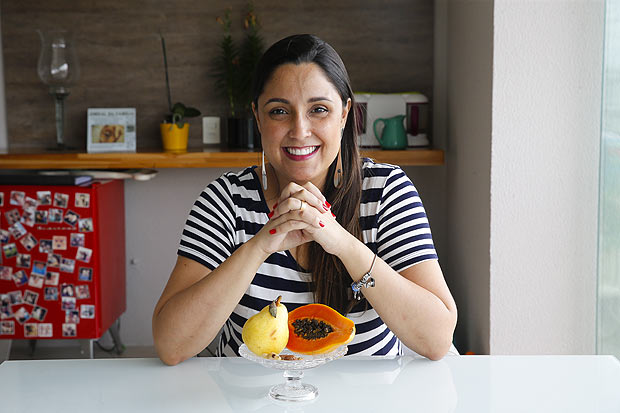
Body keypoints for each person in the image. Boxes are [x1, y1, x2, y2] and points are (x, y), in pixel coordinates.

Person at [153, 34, 457, 366]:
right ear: (257, 117)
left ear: (344, 115)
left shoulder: (386, 192)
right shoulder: (224, 202)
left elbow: (437, 339)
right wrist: (260, 246)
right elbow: (172, 346)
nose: (300, 130)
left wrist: (341, 242)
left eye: (319, 110)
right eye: (280, 111)